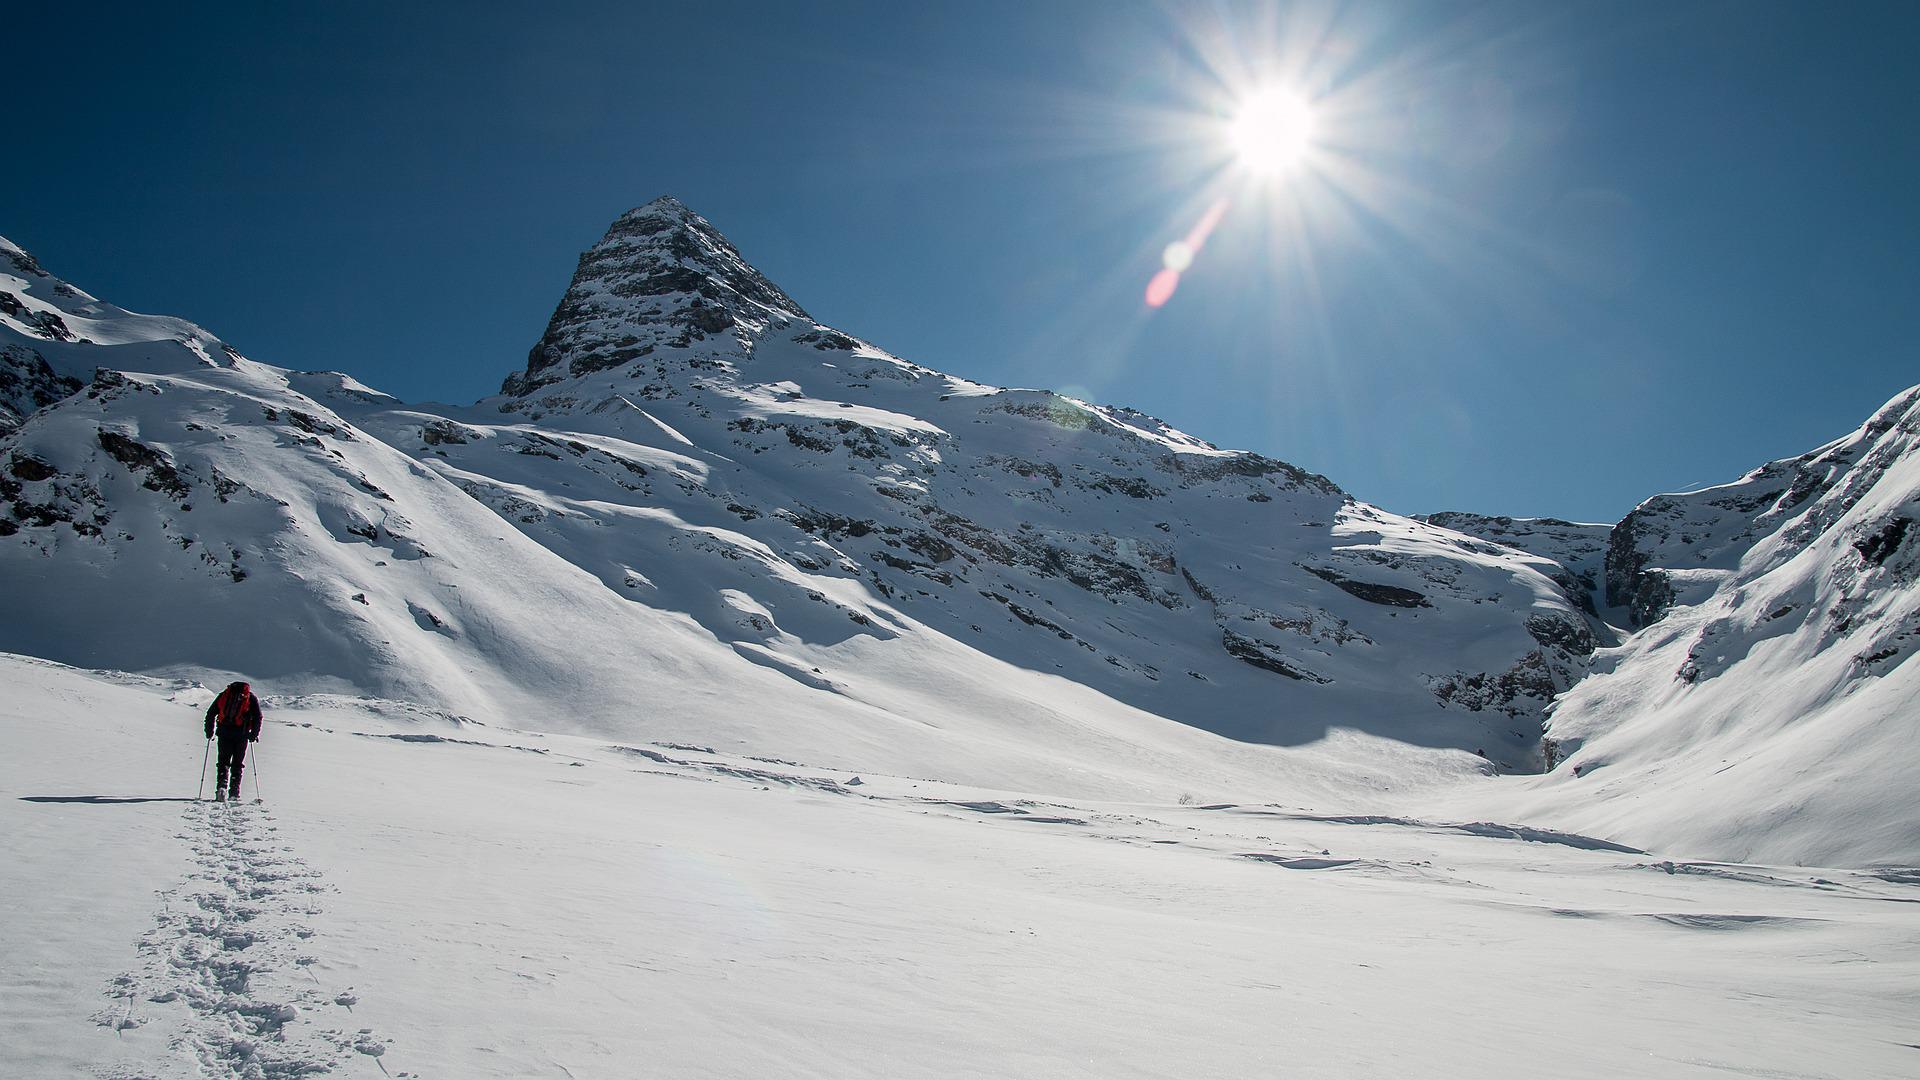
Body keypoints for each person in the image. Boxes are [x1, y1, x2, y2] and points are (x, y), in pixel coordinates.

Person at [204, 681, 262, 802]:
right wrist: (254, 734)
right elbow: (258, 717)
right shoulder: (250, 698)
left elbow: (211, 713)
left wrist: (209, 731)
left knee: (223, 762)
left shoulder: (224, 695)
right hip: (242, 735)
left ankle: (221, 787)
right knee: (237, 764)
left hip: (224, 732)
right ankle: (234, 792)